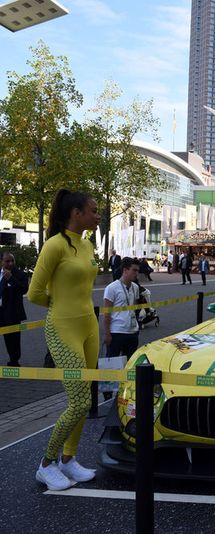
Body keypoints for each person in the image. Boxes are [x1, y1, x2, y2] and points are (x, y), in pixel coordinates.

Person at [28, 189, 100, 491]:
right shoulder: (54, 245)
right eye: (93, 210)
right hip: (62, 328)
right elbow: (34, 293)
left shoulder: (87, 245)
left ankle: (69, 459)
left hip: (89, 327)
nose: (98, 215)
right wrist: (58, 308)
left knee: (85, 400)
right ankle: (46, 465)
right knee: (79, 400)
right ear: (76, 213)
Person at [103, 257, 141, 362]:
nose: (137, 273)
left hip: (133, 332)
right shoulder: (111, 288)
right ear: (125, 270)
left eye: (138, 270)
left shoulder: (135, 287)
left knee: (130, 363)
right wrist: (107, 334)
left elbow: (135, 307)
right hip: (117, 332)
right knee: (113, 364)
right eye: (134, 270)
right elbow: (107, 314)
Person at [0, 252, 29, 367]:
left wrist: (11, 278)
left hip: (12, 313)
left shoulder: (20, 274)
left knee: (12, 339)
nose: (10, 263)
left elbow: (23, 289)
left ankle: (14, 361)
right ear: (1, 261)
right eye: (7, 261)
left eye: (12, 260)